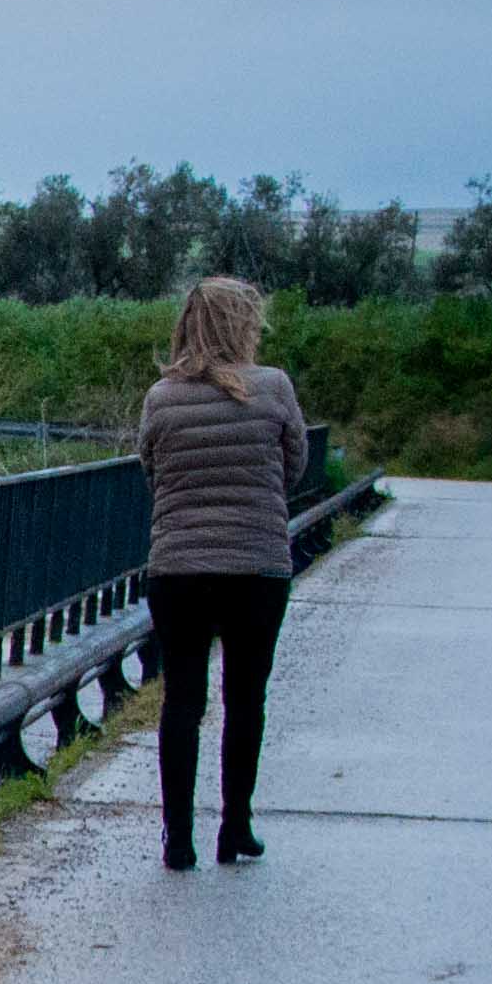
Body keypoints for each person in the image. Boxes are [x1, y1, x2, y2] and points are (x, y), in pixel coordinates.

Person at [135, 276, 311, 869]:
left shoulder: (162, 397)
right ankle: (235, 825)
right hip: (256, 565)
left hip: (179, 566)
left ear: (188, 324)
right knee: (245, 696)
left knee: (182, 698)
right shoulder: (275, 388)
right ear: (246, 325)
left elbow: (151, 469)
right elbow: (294, 468)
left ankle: (176, 837)